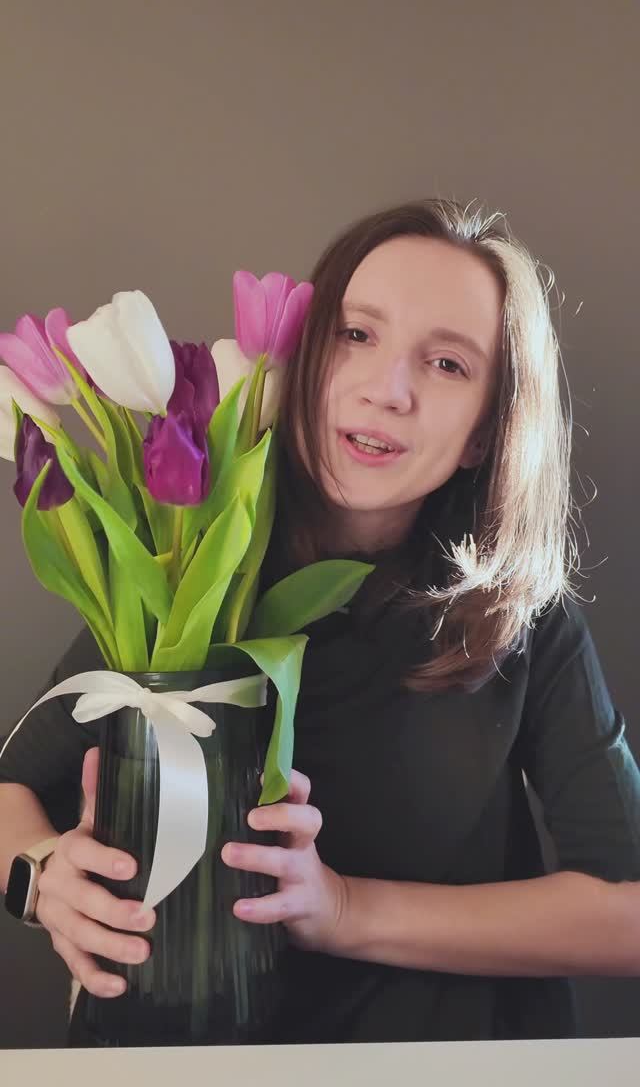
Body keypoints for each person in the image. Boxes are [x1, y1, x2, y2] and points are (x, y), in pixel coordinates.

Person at [1, 198, 640, 1045]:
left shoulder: (519, 614)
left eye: (447, 363)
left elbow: (627, 914)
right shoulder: (189, 565)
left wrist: (343, 909)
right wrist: (41, 877)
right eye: (356, 334)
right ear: (303, 354)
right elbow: (10, 788)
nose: (387, 390)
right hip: (182, 1057)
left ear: (486, 431)